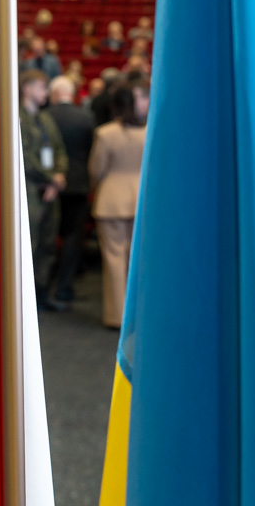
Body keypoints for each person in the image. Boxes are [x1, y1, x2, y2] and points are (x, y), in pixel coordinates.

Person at [89, 78, 148, 328]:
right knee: (139, 260)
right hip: (141, 201)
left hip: (111, 201)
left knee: (114, 260)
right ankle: (140, 315)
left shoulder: (105, 134)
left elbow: (96, 170)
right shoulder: (151, 132)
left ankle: (116, 317)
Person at [19, 70, 69, 312]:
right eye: (41, 87)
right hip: (30, 191)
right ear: (27, 88)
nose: (45, 93)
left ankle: (41, 292)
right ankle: (24, 298)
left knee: (48, 243)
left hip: (49, 191)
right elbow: (24, 157)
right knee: (30, 243)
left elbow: (59, 149)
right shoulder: (16, 117)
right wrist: (51, 180)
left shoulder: (46, 119)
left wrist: (58, 177)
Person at [44, 76, 95, 303]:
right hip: (78, 184)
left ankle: (43, 286)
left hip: (49, 185)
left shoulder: (44, 118)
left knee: (48, 235)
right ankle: (64, 287)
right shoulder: (86, 118)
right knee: (73, 237)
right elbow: (91, 150)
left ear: (54, 94)